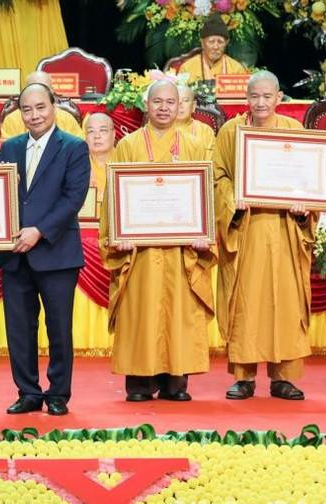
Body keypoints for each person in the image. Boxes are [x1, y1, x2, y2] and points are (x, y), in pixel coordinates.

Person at [99, 80, 216, 402]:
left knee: (178, 314)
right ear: (146, 105)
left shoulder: (193, 146)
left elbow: (208, 197)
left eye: (170, 102)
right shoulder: (129, 145)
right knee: (141, 312)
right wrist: (115, 237)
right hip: (141, 252)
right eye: (157, 102)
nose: (164, 108)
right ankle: (138, 383)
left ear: (180, 106)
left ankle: (175, 383)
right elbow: (113, 198)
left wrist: (205, 236)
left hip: (181, 252)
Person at [213, 70, 314, 401]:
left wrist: (304, 206)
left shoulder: (293, 131)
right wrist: (233, 200)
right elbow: (218, 177)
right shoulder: (231, 132)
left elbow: (309, 177)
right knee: (246, 301)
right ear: (246, 98)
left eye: (266, 96)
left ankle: (283, 377)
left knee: (285, 301)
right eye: (254, 96)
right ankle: (243, 377)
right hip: (247, 229)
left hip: (286, 230)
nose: (260, 102)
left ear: (279, 98)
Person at [0, 83, 89, 416]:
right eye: (27, 109)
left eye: (40, 107)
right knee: (19, 328)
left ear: (54, 107)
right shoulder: (9, 147)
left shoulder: (74, 147)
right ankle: (28, 392)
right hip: (14, 255)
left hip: (56, 252)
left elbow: (72, 199)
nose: (34, 115)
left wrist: (39, 231)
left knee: (59, 327)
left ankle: (59, 393)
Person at [0, 71, 85, 140]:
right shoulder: (12, 120)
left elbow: (79, 150)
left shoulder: (66, 119)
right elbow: (7, 154)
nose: (35, 116)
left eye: (43, 89)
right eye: (33, 89)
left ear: (52, 93)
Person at [178, 13, 247, 83]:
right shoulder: (187, 68)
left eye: (220, 42)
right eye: (211, 42)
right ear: (202, 42)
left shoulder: (237, 69)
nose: (216, 47)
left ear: (226, 42)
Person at [84, 112, 116, 216]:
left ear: (114, 134)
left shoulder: (124, 160)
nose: (97, 136)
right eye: (91, 131)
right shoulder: (75, 165)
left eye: (103, 130)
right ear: (85, 137)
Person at [176, 84, 215, 158]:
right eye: (175, 100)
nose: (180, 104)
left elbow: (210, 165)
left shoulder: (205, 131)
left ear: (193, 106)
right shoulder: (159, 131)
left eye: (185, 100)